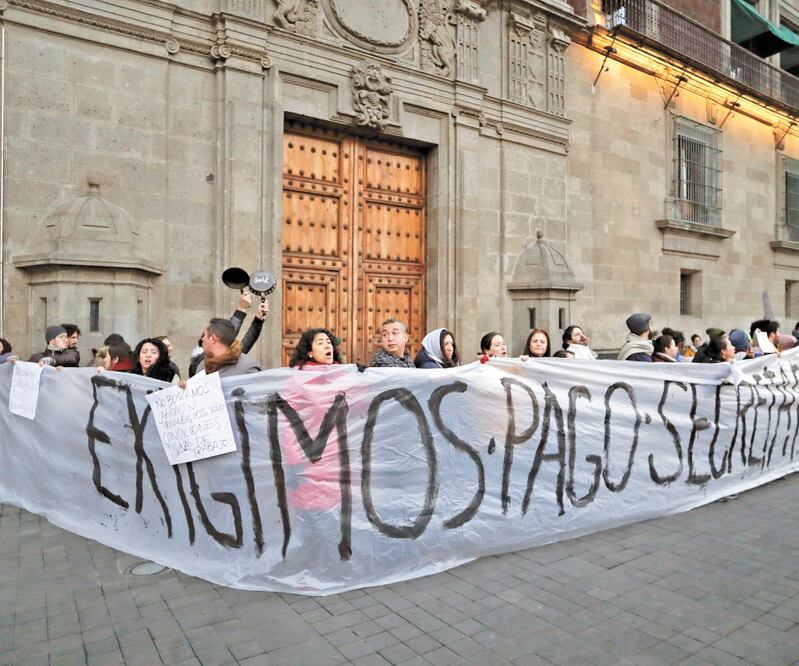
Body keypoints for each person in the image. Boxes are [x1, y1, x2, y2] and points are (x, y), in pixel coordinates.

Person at [189, 293, 269, 377]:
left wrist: (257, 319)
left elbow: (228, 335)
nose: (203, 339)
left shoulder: (247, 366)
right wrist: (241, 309)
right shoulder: (201, 366)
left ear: (213, 338)